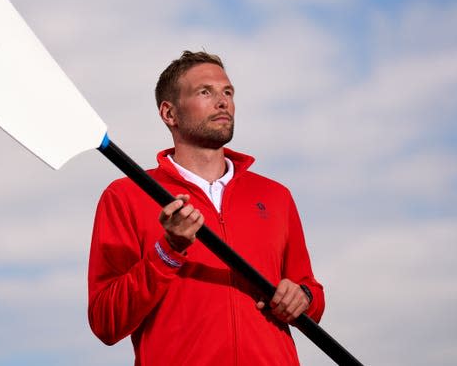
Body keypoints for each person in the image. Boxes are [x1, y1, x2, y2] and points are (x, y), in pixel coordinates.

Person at [87, 51, 325, 365]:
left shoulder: (275, 195)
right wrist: (168, 251)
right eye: (205, 92)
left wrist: (303, 297)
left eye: (227, 92)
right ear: (169, 113)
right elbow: (106, 321)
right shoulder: (126, 195)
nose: (223, 101)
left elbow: (311, 293)